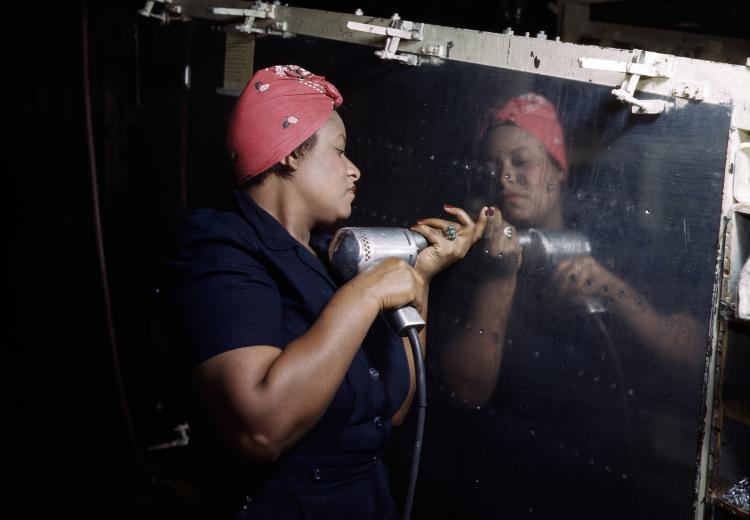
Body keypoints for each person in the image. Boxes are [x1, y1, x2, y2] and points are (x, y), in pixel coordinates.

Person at [166, 64, 489, 519]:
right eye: (340, 151)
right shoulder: (221, 251)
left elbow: (393, 410)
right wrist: (366, 294)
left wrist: (421, 282)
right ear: (291, 154)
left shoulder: (328, 259)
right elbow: (257, 429)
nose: (355, 169)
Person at [426, 93, 704, 518]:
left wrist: (614, 290)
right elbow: (467, 390)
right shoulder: (465, 258)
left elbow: (694, 360)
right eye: (492, 166)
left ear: (558, 166)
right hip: (505, 483)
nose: (505, 178)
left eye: (522, 161)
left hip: (608, 481)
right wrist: (500, 277)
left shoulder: (615, 238)